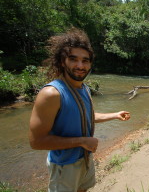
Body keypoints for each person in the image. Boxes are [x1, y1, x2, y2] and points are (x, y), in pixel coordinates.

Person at [29, 28, 130, 192]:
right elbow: (36, 142)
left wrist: (115, 115)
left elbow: (85, 116)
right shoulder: (51, 94)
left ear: (90, 63)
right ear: (62, 61)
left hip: (85, 159)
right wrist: (82, 141)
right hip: (64, 167)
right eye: (73, 59)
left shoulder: (85, 89)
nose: (80, 65)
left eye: (85, 60)